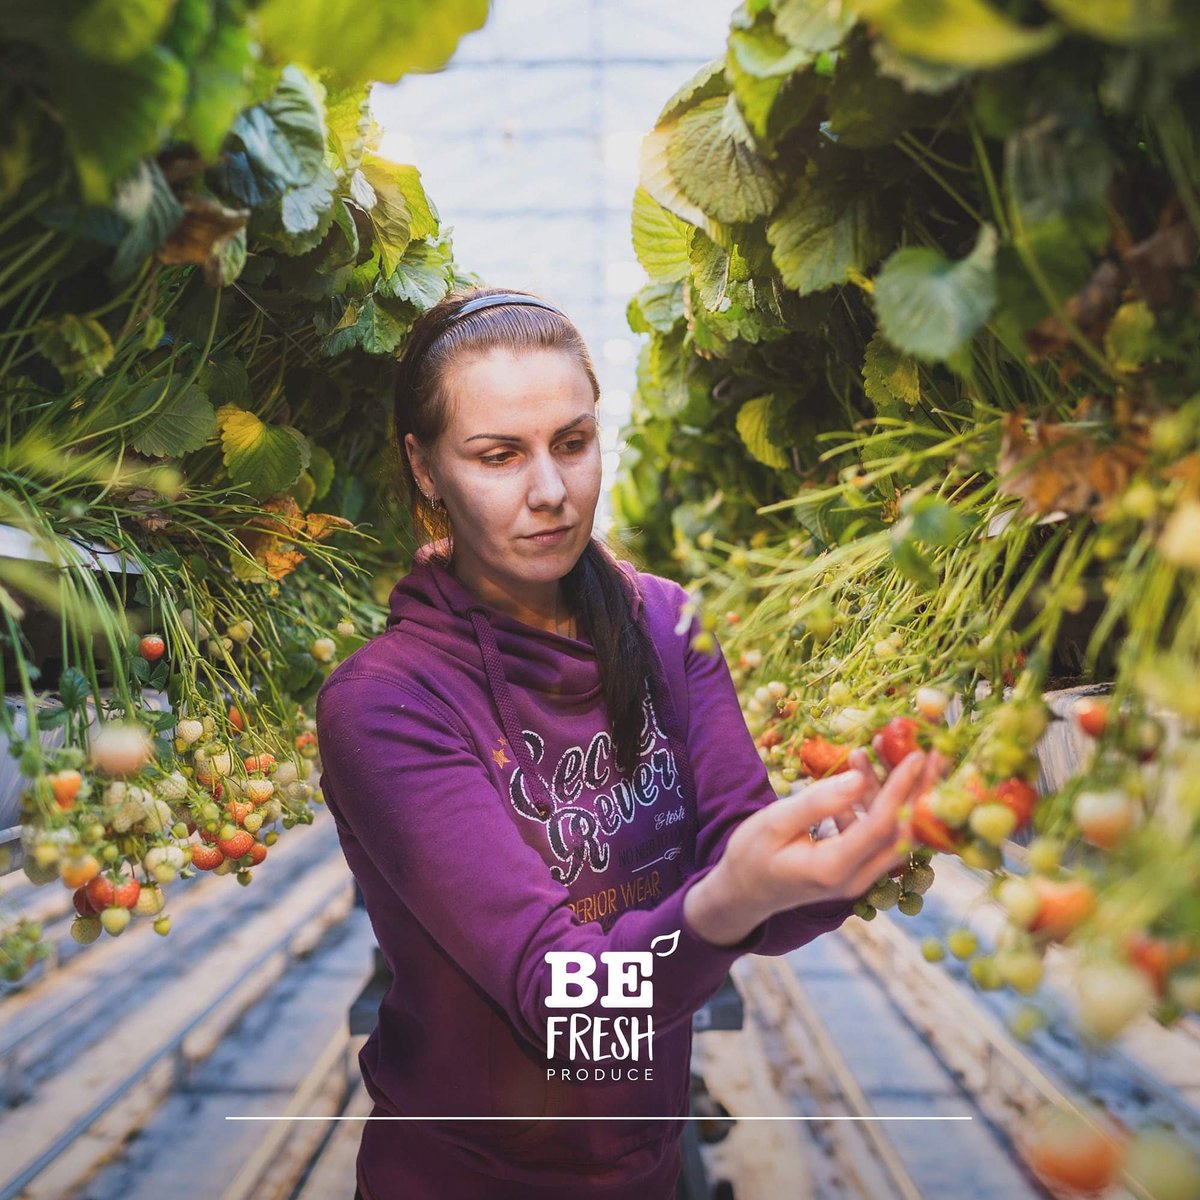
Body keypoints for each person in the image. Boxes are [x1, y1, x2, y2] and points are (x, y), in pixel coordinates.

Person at [314, 287, 943, 1199]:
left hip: (643, 1168)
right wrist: (726, 902)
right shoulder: (387, 702)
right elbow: (559, 1006)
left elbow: (756, 878)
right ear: (424, 467)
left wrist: (852, 851)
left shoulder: (666, 625)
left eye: (573, 442)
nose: (551, 491)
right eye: (498, 455)